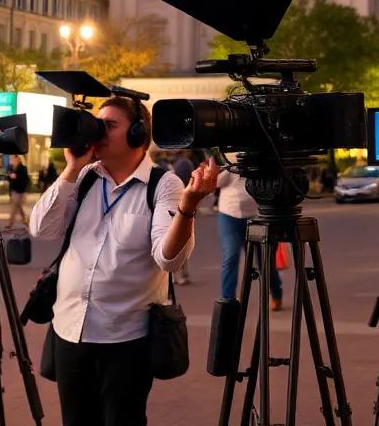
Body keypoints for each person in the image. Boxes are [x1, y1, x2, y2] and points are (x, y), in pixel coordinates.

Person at [30, 96, 218, 426]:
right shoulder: (85, 177)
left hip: (126, 338)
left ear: (137, 134)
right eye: (97, 124)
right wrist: (71, 168)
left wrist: (188, 207)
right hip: (70, 331)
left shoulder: (163, 184)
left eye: (109, 125)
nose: (98, 131)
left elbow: (168, 259)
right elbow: (41, 229)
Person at [215, 168, 285, 310]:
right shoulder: (226, 156)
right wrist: (229, 167)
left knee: (264, 259)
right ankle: (228, 303)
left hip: (256, 214)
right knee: (231, 256)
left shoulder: (257, 154)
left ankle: (276, 293)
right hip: (229, 213)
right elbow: (216, 183)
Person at [170, 152, 197, 285]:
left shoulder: (172, 168)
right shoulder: (187, 164)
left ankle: (175, 277)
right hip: (184, 207)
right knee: (184, 242)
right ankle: (182, 275)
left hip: (174, 208)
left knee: (175, 243)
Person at [4, 155, 29, 230]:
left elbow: (25, 180)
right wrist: (10, 177)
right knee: (18, 206)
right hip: (14, 190)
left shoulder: (23, 169)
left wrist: (15, 177)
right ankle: (25, 220)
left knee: (14, 207)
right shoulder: (13, 168)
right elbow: (9, 178)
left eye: (13, 160)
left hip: (19, 190)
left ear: (18, 160)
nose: (12, 161)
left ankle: (10, 223)